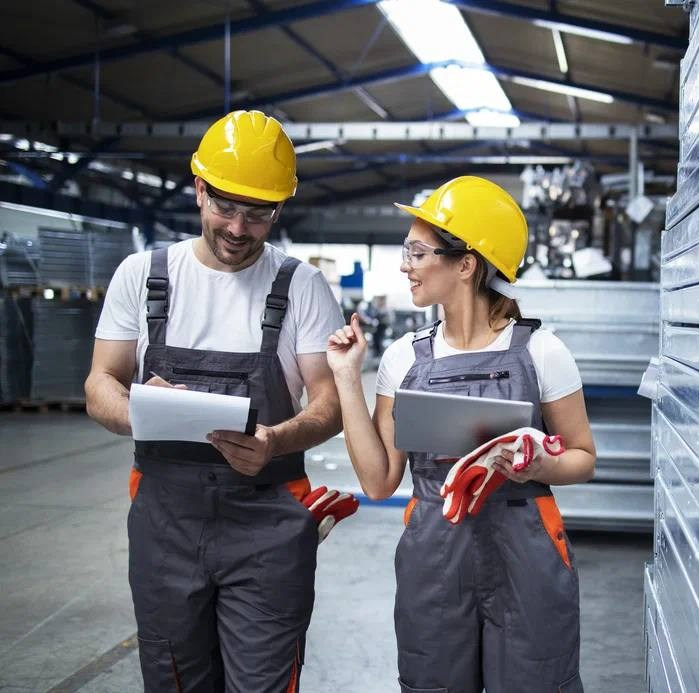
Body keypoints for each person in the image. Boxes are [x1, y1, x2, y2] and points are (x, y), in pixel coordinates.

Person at [84, 110, 351, 692]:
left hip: (268, 525)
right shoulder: (143, 276)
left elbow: (329, 403)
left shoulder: (300, 286)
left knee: (263, 681)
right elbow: (100, 382)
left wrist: (276, 440)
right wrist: (140, 410)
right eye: (226, 207)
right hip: (165, 523)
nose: (238, 227)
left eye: (258, 214)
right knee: (174, 677)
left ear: (279, 209)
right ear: (199, 189)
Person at [326, 175, 596, 692]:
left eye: (417, 252)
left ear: (466, 265)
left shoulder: (543, 352)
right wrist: (345, 376)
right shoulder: (403, 358)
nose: (405, 265)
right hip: (434, 557)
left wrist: (542, 465)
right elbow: (379, 481)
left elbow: (583, 456)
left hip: (527, 553)